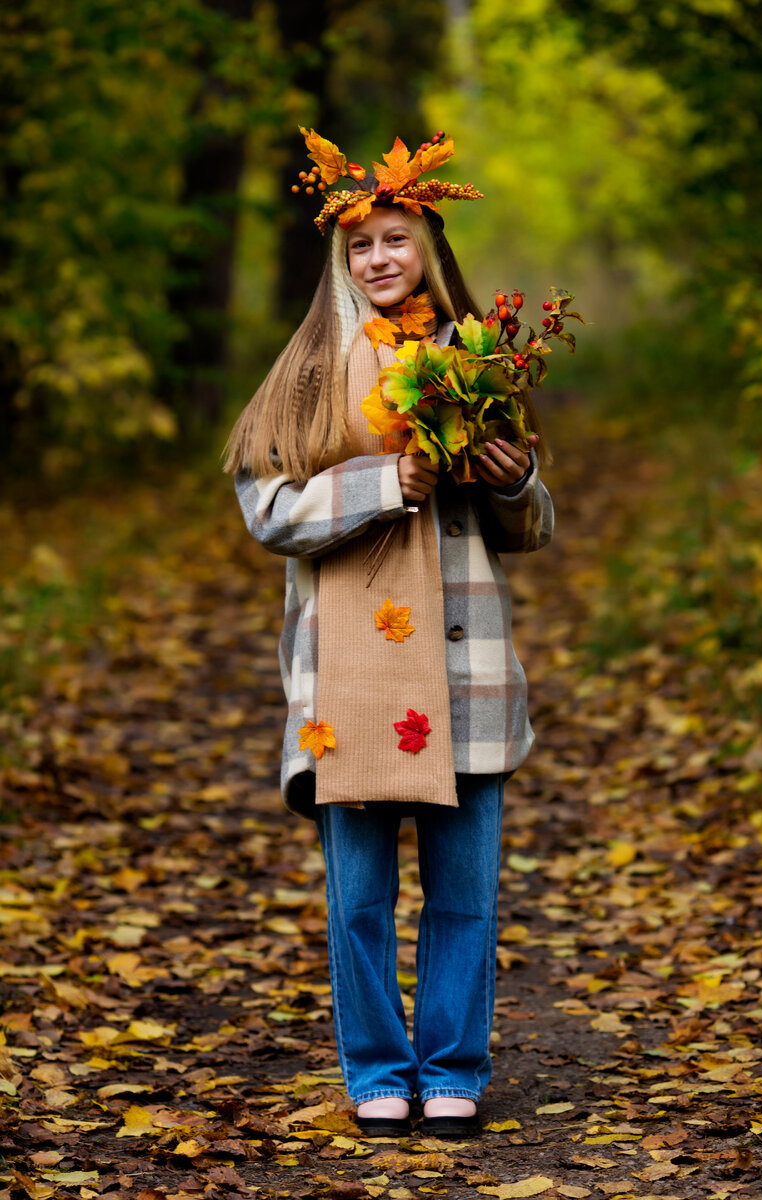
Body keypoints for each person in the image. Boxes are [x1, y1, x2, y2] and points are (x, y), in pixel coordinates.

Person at [224, 128, 554, 1139]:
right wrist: (379, 482)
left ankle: (451, 1064)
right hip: (348, 673)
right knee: (359, 898)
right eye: (360, 243)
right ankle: (376, 1069)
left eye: (395, 238)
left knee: (462, 889)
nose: (378, 257)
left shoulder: (477, 360)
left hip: (464, 663)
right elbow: (264, 511)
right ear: (341, 258)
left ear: (426, 248)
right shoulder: (308, 373)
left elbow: (532, 526)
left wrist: (513, 483)